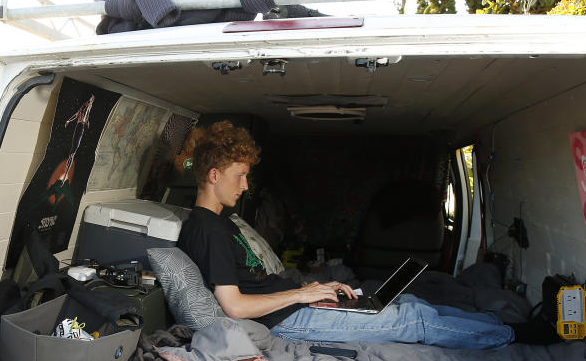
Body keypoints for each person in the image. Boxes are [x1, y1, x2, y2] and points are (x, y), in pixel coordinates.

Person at [175, 121, 515, 349]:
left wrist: (308, 288)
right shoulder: (206, 229)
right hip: (287, 321)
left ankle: (497, 321)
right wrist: (300, 297)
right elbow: (234, 306)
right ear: (214, 174)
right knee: (411, 320)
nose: (246, 186)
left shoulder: (223, 222)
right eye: (240, 176)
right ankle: (512, 335)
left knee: (406, 301)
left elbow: (255, 283)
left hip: (293, 304)